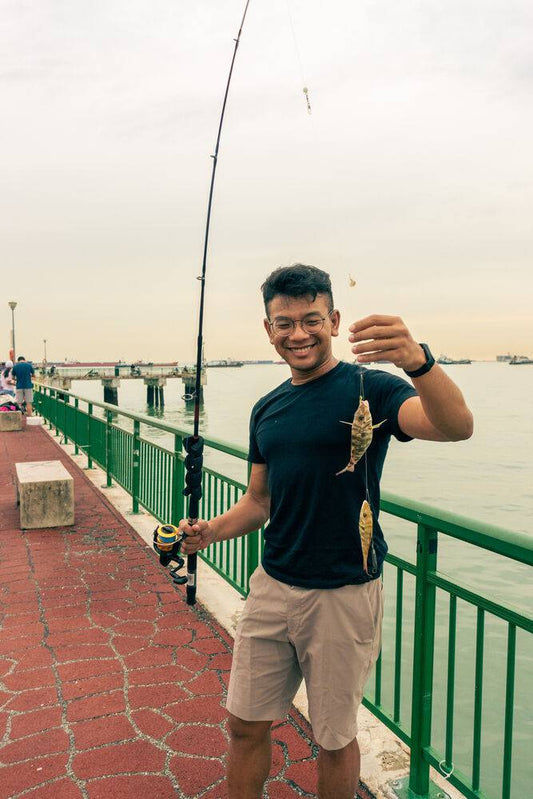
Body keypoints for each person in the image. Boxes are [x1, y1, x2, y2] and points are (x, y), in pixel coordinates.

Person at [179, 264, 473, 799]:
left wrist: (420, 362)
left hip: (343, 593)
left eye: (311, 320)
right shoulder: (266, 409)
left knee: (334, 739)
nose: (298, 334)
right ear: (268, 330)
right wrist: (209, 532)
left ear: (333, 320)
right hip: (272, 586)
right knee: (244, 723)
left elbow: (456, 427)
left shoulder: (373, 389)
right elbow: (259, 500)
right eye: (284, 323)